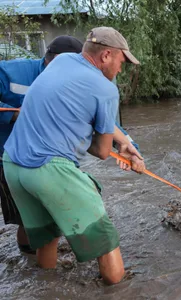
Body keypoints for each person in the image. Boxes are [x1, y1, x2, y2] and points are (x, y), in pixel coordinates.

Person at [2, 26, 144, 285]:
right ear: (106, 56)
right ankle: (120, 288)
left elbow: (74, 113)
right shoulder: (106, 89)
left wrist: (124, 143)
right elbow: (101, 151)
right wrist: (118, 148)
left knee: (48, 238)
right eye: (122, 61)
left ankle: (49, 288)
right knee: (105, 240)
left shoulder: (62, 61)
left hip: (12, 165)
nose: (122, 69)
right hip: (48, 169)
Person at [0, 35, 83, 254]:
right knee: (25, 216)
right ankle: (28, 260)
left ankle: (42, 262)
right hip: (10, 156)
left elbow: (102, 120)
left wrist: (127, 144)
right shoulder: (12, 72)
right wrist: (14, 116)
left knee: (53, 210)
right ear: (52, 61)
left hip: (50, 157)